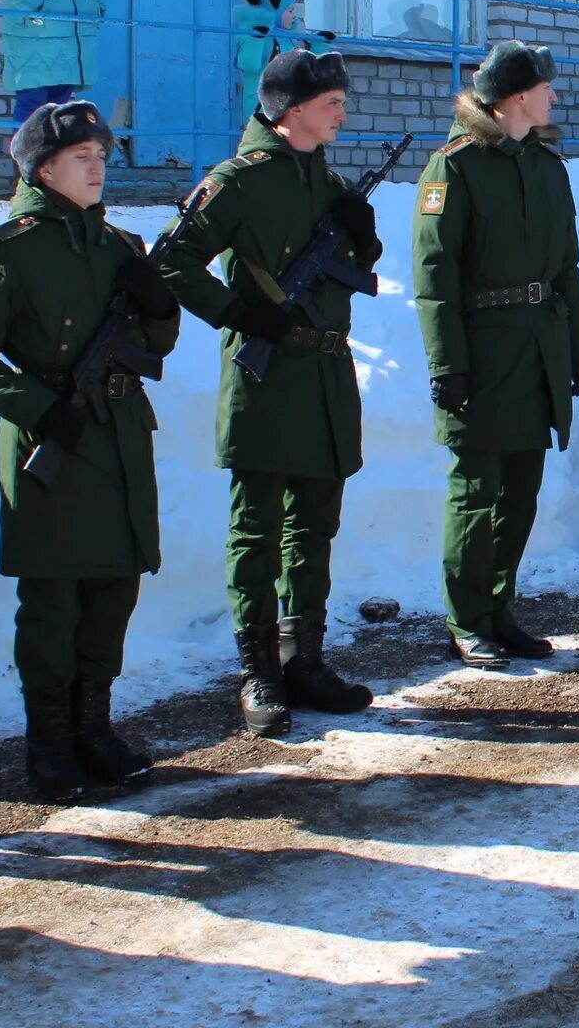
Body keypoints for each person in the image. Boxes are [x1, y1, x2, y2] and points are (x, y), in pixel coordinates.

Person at [0, 103, 174, 802]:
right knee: (52, 605)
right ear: (43, 169)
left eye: (101, 154)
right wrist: (39, 409)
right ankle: (50, 743)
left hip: (119, 439)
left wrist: (158, 305)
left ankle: (94, 727)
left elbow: (157, 349)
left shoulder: (121, 247)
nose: (99, 167)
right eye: (81, 158)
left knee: (111, 594)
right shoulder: (8, 250)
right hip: (53, 445)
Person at [160, 49, 382, 729]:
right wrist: (238, 312)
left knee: (314, 525)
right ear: (289, 113)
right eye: (331, 103)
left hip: (324, 374)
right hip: (266, 374)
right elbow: (172, 260)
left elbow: (349, 268)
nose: (343, 112)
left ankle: (304, 658)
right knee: (256, 528)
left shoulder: (328, 180)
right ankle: (259, 671)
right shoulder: (238, 182)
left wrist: (361, 240)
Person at [413, 44, 579, 669]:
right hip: (484, 352)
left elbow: (566, 266)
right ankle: (467, 619)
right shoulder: (454, 169)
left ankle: (498, 607)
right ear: (517, 96)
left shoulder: (547, 167)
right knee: (476, 492)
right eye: (547, 86)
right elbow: (435, 278)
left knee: (521, 490)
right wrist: (447, 364)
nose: (555, 96)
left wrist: (576, 347)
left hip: (539, 344)